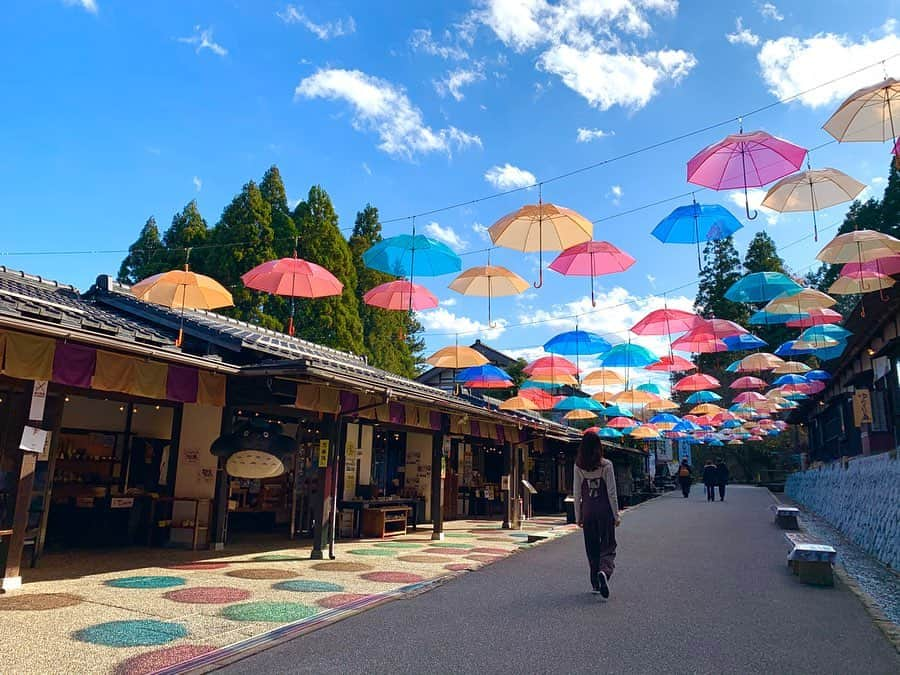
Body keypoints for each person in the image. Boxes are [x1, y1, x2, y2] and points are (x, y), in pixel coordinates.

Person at [573, 432, 620, 597]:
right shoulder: (606, 465)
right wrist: (616, 515)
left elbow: (577, 493)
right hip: (604, 511)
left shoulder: (578, 466)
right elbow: (612, 492)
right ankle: (604, 572)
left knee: (591, 547)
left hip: (588, 511)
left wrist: (578, 516)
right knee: (608, 545)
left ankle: (595, 582)